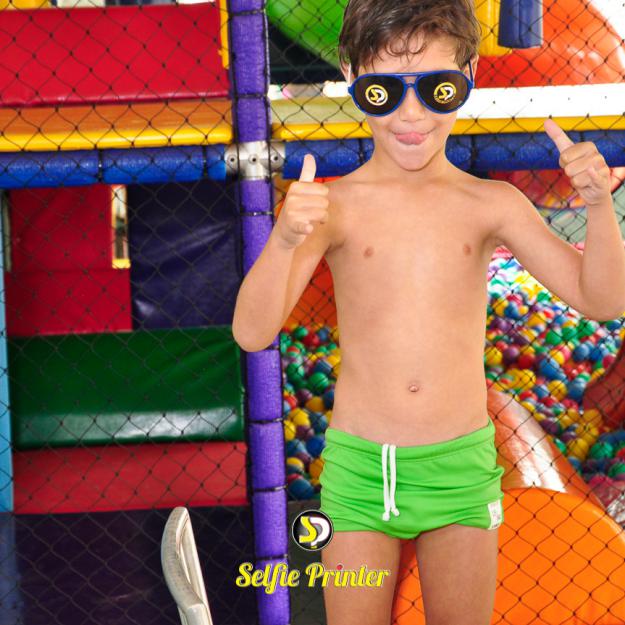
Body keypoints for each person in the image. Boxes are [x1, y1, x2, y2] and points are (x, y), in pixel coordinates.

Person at [232, 0, 625, 623]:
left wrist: (599, 206)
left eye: (437, 89)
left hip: (460, 468)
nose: (411, 114)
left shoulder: (490, 204)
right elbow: (252, 332)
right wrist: (283, 240)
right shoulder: (334, 208)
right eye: (385, 92)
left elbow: (603, 299)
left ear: (467, 75)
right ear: (351, 75)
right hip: (361, 472)